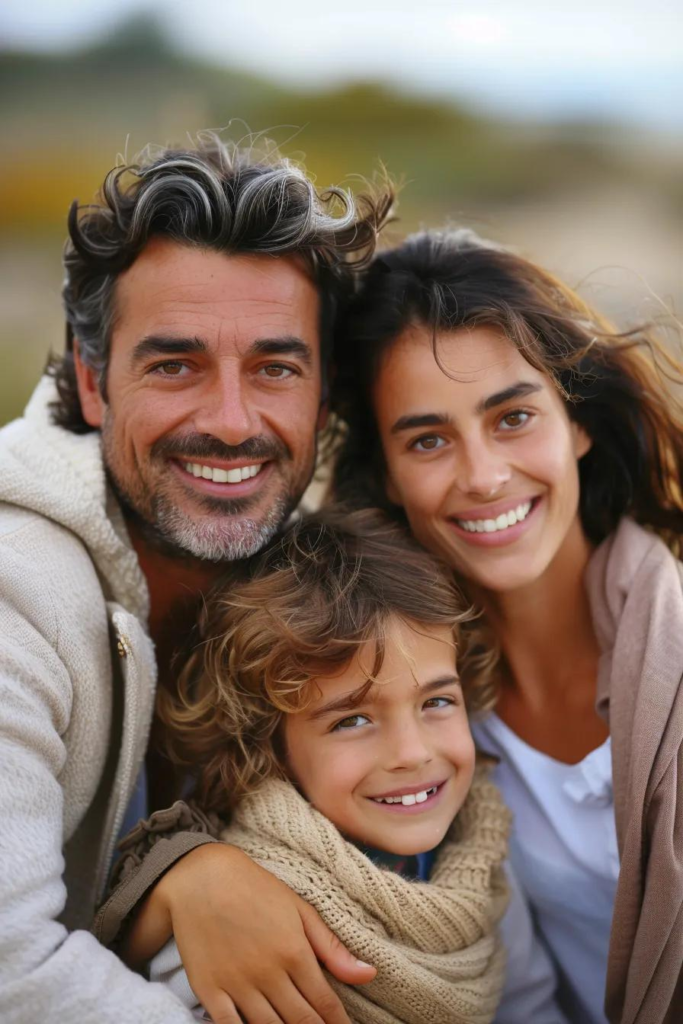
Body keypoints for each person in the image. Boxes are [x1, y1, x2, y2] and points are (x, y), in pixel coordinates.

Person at [0, 132, 391, 1023]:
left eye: (274, 368)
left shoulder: (328, 576)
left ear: (323, 399)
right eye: (174, 365)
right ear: (94, 385)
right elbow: (11, 974)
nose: (228, 422)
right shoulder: (13, 589)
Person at [329, 228, 683, 1024]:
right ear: (385, 474)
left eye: (513, 417)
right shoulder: (385, 682)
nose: (484, 476)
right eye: (427, 439)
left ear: (578, 422)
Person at [124, 507, 511, 1024]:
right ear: (272, 748)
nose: (413, 753)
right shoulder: (236, 914)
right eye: (351, 721)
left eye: (436, 703)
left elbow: (531, 1004)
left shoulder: (480, 856)